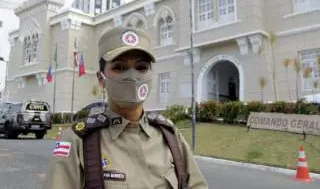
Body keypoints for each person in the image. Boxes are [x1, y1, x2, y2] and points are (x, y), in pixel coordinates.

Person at [43, 26, 208, 189]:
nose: (132, 76)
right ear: (101, 79)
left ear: (151, 75)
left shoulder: (170, 137)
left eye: (141, 67)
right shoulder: (78, 141)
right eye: (119, 67)